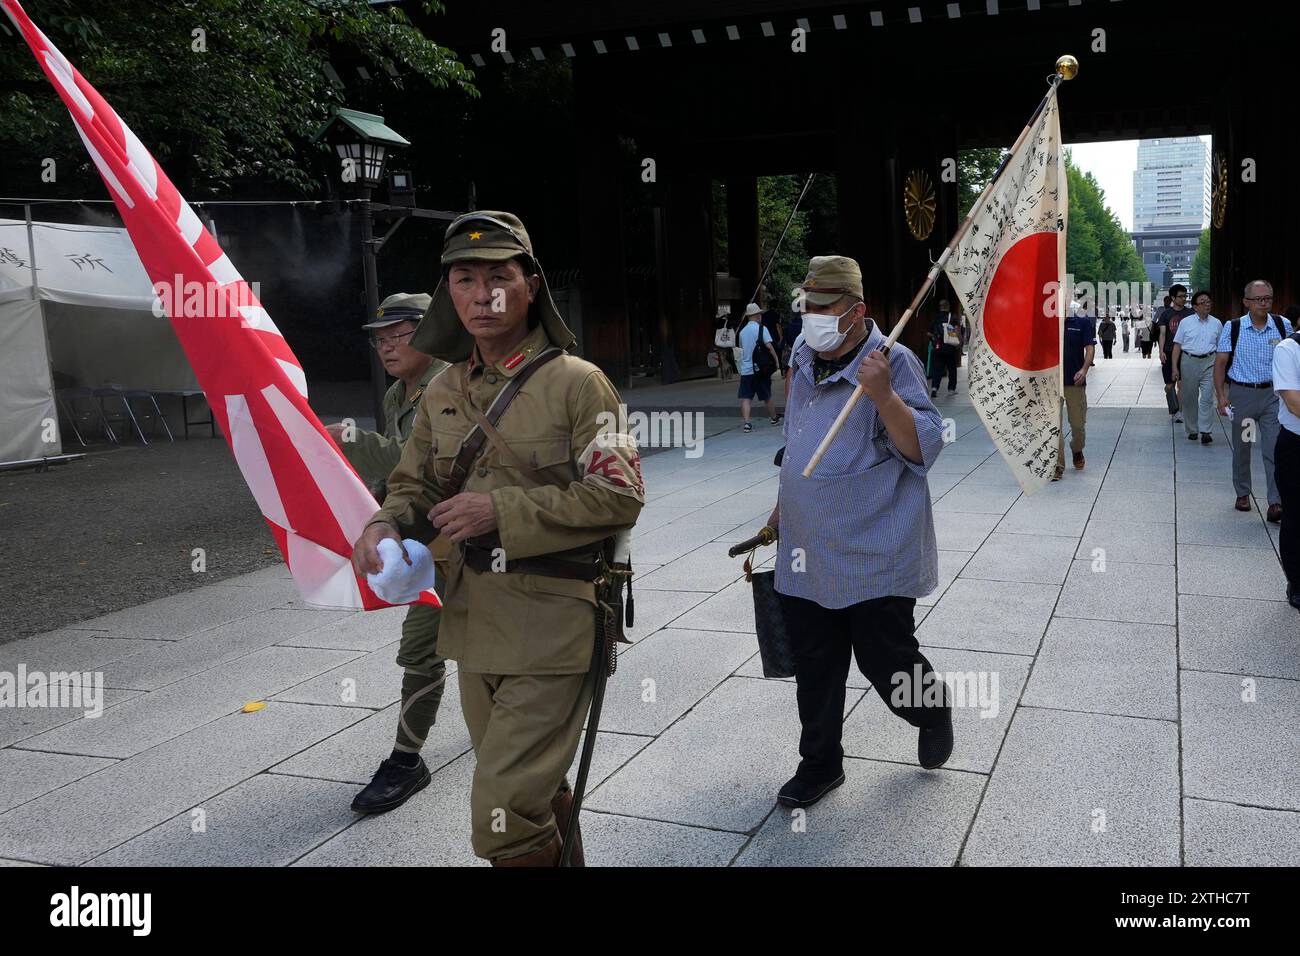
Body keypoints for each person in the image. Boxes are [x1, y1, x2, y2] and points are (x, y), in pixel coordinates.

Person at [351, 211, 645, 866]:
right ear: (448, 294)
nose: (484, 293)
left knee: (502, 819)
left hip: (555, 623)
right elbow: (413, 485)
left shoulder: (577, 382)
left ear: (531, 285)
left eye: (500, 276)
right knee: (533, 793)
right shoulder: (443, 390)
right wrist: (383, 523)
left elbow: (621, 493)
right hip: (471, 621)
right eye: (465, 278)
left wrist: (499, 511)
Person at [768, 255, 952, 810]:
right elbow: (800, 436)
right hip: (807, 545)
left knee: (886, 660)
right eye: (807, 307)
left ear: (856, 312)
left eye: (824, 309)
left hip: (874, 547)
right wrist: (782, 507)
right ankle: (820, 763)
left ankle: (930, 707)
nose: (812, 318)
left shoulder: (890, 362)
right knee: (815, 664)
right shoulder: (803, 356)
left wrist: (883, 396)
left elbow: (923, 447)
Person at [326, 293, 450, 814]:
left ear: (428, 332)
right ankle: (407, 758)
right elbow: (400, 480)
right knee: (422, 649)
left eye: (398, 334)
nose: (387, 346)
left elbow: (423, 462)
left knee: (500, 649)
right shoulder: (403, 394)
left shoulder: (454, 383)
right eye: (380, 339)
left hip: (483, 539)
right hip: (433, 546)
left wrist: (352, 441)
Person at [1214, 279, 1292, 521]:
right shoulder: (1234, 327)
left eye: (1268, 298)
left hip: (1273, 397)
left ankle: (1276, 501)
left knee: (1273, 449)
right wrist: (1221, 396)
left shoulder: (1282, 325)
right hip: (1244, 396)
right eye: (1259, 299)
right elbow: (1220, 363)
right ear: (1246, 302)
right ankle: (1243, 493)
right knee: (1244, 447)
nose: (1264, 303)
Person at [1270, 325, 1300, 610]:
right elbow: (1293, 402)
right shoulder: (1289, 349)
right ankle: (1296, 580)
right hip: (1296, 443)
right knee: (1296, 513)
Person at [1170, 290, 1222, 445]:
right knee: (1190, 397)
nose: (1207, 305)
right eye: (1203, 302)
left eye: (1209, 302)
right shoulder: (1186, 322)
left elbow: (1221, 347)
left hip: (1210, 361)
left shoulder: (1217, 323)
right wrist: (1175, 367)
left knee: (1207, 397)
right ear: (1195, 307)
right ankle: (1192, 429)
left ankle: (1206, 431)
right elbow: (1177, 345)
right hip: (1189, 361)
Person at [1055, 301, 1095, 478]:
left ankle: (1077, 449)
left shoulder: (1082, 321)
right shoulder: (1046, 323)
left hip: (1074, 382)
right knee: (1054, 427)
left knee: (1078, 425)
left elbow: (1090, 348)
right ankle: (1057, 465)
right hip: (1052, 383)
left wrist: (1084, 370)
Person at [738, 301, 782, 432]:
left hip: (746, 370)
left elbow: (742, 349)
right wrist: (776, 362)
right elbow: (769, 347)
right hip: (761, 370)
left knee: (746, 398)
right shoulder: (762, 329)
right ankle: (774, 418)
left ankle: (747, 423)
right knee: (766, 396)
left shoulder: (742, 332)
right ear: (758, 315)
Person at [1158, 287, 1193, 420]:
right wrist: (1161, 351)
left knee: (1182, 384)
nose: (1184, 299)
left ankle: (1179, 412)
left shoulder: (1190, 313)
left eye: (1185, 296)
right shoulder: (1166, 314)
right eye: (1180, 296)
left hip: (1185, 352)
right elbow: (1162, 334)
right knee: (1169, 385)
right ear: (1173, 298)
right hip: (1168, 350)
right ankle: (1173, 405)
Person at [927, 298, 961, 397]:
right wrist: (958, 342)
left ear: (940, 307)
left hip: (938, 346)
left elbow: (928, 333)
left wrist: (934, 338)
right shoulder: (952, 317)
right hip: (949, 346)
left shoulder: (935, 318)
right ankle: (951, 389)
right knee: (951, 368)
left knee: (937, 368)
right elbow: (957, 330)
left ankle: (934, 388)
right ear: (948, 307)